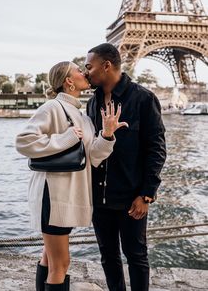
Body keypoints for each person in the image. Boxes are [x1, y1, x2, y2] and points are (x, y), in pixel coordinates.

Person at [16, 61, 128, 291]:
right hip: (54, 196)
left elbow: (93, 157)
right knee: (61, 264)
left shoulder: (81, 115)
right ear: (68, 80)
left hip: (67, 196)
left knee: (49, 258)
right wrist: (66, 138)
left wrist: (107, 135)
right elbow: (23, 141)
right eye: (79, 70)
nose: (84, 72)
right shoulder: (52, 108)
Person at [85, 43, 166, 291]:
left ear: (106, 66)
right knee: (108, 257)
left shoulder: (143, 98)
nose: (86, 72)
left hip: (133, 198)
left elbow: (157, 149)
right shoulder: (92, 102)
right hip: (100, 198)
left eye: (89, 66)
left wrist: (147, 194)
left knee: (137, 257)